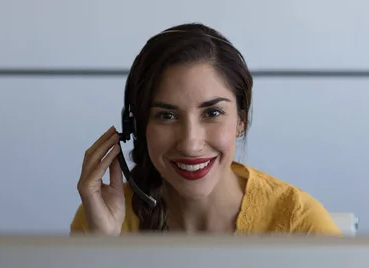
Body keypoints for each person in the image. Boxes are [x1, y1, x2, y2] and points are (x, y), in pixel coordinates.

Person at [70, 23, 341, 235]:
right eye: (166, 115)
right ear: (138, 126)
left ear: (240, 120)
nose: (190, 143)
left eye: (212, 113)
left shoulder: (301, 225)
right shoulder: (101, 218)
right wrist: (103, 248)